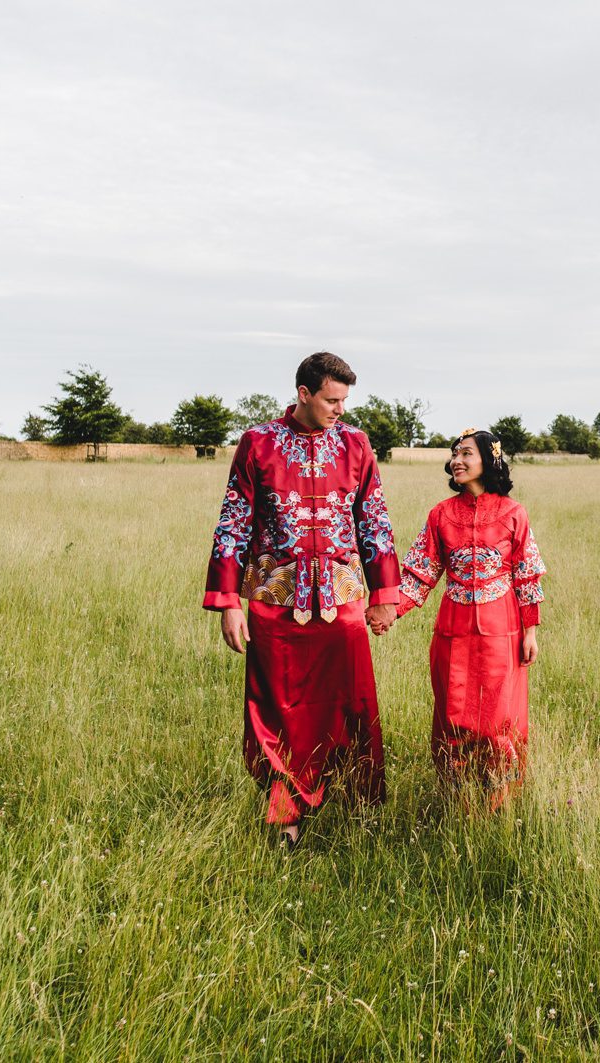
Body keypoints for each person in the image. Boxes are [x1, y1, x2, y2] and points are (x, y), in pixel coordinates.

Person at [203, 351, 402, 843]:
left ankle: (357, 807)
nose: (340, 409)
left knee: (349, 703)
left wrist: (385, 594)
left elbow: (373, 520)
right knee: (276, 709)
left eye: (345, 400)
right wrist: (228, 601)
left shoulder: (356, 444)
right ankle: (286, 812)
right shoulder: (258, 443)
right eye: (331, 400)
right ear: (304, 394)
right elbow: (234, 522)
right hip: (274, 601)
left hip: (345, 600)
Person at [378, 428, 546, 810]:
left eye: (466, 453)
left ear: (489, 459)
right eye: (455, 454)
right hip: (452, 631)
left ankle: (499, 801)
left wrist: (530, 630)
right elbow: (420, 573)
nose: (457, 460)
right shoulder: (441, 514)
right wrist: (389, 609)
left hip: (503, 631)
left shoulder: (513, 513)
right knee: (454, 714)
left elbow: (526, 575)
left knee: (497, 719)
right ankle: (458, 799)